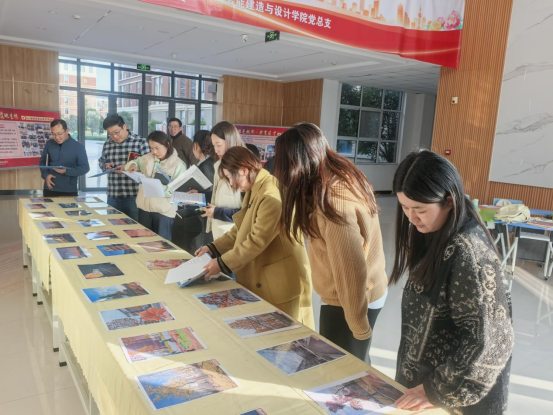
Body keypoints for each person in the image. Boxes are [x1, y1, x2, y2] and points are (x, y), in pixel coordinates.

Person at [390, 150, 513, 414]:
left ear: (449, 201)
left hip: (452, 397)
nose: (411, 218)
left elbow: (492, 342)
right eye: (405, 207)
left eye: (420, 209)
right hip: (426, 384)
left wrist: (437, 390)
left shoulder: (469, 252)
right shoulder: (435, 232)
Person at [273, 123, 387, 363]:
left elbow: (350, 269)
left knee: (344, 369)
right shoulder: (341, 176)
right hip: (361, 293)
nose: (277, 170)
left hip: (350, 301)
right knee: (353, 364)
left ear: (295, 163)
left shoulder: (333, 201)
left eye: (280, 162)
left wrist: (358, 328)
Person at [197, 147, 314, 327]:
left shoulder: (270, 194)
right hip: (266, 275)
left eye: (230, 177)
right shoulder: (256, 188)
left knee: (285, 335)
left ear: (243, 170)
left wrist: (221, 263)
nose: (231, 184)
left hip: (279, 280)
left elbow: (255, 241)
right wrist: (213, 248)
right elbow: (241, 229)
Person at [124, 131, 186, 241]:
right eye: (151, 148)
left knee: (161, 246)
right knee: (143, 243)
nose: (154, 152)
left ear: (167, 144)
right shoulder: (147, 158)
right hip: (145, 209)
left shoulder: (178, 165)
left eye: (157, 148)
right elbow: (133, 162)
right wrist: (133, 165)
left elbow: (178, 191)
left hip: (164, 212)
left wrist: (157, 188)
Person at [99, 114, 150, 220]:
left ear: (124, 127)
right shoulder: (108, 143)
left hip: (134, 195)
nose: (114, 137)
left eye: (116, 132)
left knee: (134, 227)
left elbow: (149, 167)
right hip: (113, 194)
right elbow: (101, 161)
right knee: (113, 227)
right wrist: (106, 166)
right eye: (110, 134)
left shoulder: (140, 142)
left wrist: (129, 167)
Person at [172, 130, 215, 253]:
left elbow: (208, 195)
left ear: (195, 145)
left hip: (199, 223)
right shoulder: (209, 164)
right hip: (199, 220)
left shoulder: (206, 166)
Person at [203, 121, 246, 239]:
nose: (216, 150)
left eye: (219, 145)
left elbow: (248, 212)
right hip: (219, 231)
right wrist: (201, 195)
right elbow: (220, 195)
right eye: (214, 145)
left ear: (230, 140)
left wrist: (217, 212)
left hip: (234, 233)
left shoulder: (243, 168)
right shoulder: (219, 165)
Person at [39, 119, 90, 197]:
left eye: (59, 134)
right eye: (53, 134)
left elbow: (85, 168)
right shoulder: (49, 144)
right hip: (49, 188)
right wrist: (46, 175)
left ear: (66, 131)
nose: (57, 137)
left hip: (69, 190)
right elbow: (43, 162)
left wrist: (66, 171)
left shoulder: (78, 147)